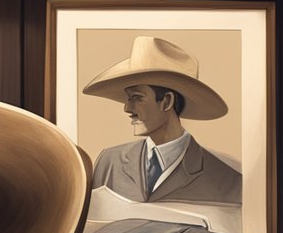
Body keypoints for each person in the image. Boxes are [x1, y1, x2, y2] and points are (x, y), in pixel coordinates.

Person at [85, 36, 241, 210]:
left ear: (167, 101)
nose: (127, 108)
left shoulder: (225, 177)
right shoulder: (109, 161)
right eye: (128, 99)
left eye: (137, 98)